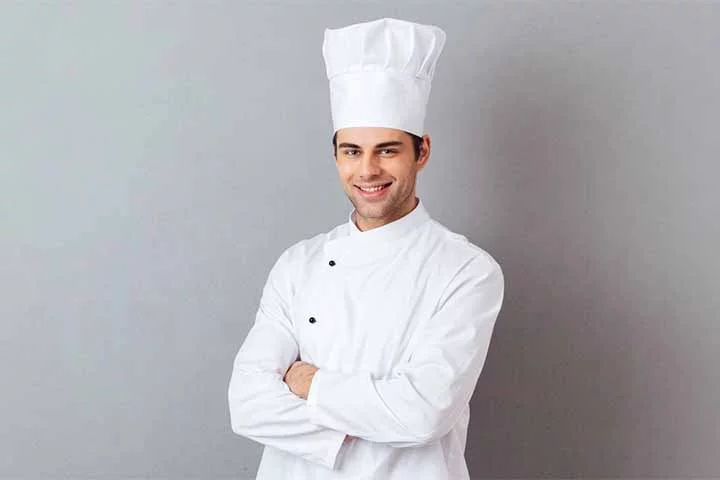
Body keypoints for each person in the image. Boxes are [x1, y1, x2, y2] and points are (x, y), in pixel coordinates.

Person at [228, 17, 504, 479]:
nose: (368, 170)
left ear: (423, 151)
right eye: (352, 151)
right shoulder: (299, 264)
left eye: (388, 150)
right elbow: (247, 404)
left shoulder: (467, 271)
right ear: (336, 155)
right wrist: (357, 423)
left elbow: (423, 413)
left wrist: (310, 382)